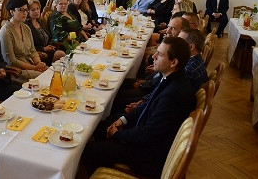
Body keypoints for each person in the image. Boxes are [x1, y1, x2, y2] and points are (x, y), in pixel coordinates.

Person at [82, 37, 196, 177]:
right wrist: (123, 120)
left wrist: (117, 135)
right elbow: (148, 105)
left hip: (148, 154)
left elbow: (149, 134)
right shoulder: (171, 77)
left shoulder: (175, 93)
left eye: (159, 54)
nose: (153, 56)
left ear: (174, 62)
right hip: (148, 137)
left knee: (88, 151)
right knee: (101, 126)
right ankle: (104, 159)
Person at [115, 28, 207, 114]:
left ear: (191, 47)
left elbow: (163, 92)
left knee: (117, 94)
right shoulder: (193, 62)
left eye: (180, 41)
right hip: (157, 98)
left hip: (160, 106)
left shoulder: (188, 70)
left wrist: (142, 102)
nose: (176, 41)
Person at [0, 0, 47, 82]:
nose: (25, 13)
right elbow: (11, 61)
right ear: (12, 12)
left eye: (26, 10)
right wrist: (35, 68)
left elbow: (32, 50)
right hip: (17, 71)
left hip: (31, 64)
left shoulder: (26, 28)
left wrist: (39, 64)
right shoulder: (6, 32)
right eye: (21, 10)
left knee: (52, 73)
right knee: (45, 78)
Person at [25, 0, 65, 65]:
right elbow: (29, 46)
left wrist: (50, 45)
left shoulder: (40, 21)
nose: (36, 11)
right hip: (39, 53)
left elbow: (48, 36)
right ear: (28, 12)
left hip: (48, 48)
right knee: (61, 54)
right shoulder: (26, 25)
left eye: (38, 9)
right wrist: (44, 48)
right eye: (33, 10)